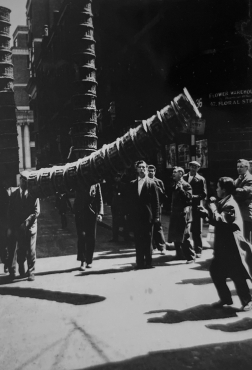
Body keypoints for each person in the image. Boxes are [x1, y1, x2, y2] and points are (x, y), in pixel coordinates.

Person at [198, 177, 252, 311]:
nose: (216, 189)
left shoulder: (230, 204)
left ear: (224, 189)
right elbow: (216, 221)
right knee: (216, 272)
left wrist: (212, 207)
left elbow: (222, 220)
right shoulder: (224, 201)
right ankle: (226, 298)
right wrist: (206, 214)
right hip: (223, 245)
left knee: (237, 274)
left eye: (218, 187)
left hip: (232, 246)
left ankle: (247, 301)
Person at [7, 171, 40, 281]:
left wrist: (26, 223)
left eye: (27, 181)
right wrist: (12, 226)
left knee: (31, 250)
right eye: (23, 180)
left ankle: (31, 271)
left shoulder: (34, 194)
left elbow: (36, 212)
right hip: (18, 227)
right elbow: (11, 211)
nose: (24, 183)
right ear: (20, 180)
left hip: (30, 227)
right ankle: (21, 267)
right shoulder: (14, 194)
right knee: (20, 248)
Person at [129, 160, 159, 269]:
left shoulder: (151, 183)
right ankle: (140, 262)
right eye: (140, 167)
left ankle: (149, 262)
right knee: (138, 240)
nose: (142, 169)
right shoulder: (132, 184)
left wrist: (156, 216)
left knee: (148, 239)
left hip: (148, 217)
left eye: (144, 167)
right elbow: (130, 201)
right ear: (136, 169)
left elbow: (156, 202)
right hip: (137, 217)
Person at [73, 182, 103, 271]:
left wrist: (100, 213)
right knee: (82, 236)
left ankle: (89, 261)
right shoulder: (79, 180)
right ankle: (82, 260)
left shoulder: (96, 184)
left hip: (91, 214)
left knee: (91, 238)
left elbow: (99, 199)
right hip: (80, 214)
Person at [168, 166, 195, 263]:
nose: (173, 174)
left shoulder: (186, 185)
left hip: (184, 214)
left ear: (181, 174)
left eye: (175, 172)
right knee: (176, 235)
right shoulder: (174, 184)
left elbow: (188, 198)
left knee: (184, 236)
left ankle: (191, 256)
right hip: (175, 213)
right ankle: (179, 254)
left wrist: (181, 190)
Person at [183, 161, 207, 257]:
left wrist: (192, 197)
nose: (193, 169)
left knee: (196, 229)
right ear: (189, 167)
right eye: (192, 166)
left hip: (195, 206)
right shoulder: (183, 177)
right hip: (185, 206)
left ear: (198, 168)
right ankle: (186, 251)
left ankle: (198, 250)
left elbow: (203, 194)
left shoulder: (201, 179)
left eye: (196, 167)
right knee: (185, 229)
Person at [147, 165, 167, 254]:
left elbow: (163, 195)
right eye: (149, 171)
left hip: (157, 207)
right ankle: (153, 246)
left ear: (155, 172)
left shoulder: (159, 182)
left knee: (157, 226)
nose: (151, 172)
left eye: (152, 171)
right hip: (148, 207)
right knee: (149, 227)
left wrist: (157, 187)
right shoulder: (145, 182)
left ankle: (162, 246)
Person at [234, 159, 252, 243]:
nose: (239, 169)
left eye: (241, 167)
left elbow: (245, 192)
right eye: (237, 167)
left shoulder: (249, 178)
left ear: (247, 167)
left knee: (246, 235)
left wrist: (234, 190)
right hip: (239, 211)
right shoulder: (239, 178)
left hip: (246, 212)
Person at [109, 173, 130, 242]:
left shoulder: (123, 186)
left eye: (118, 177)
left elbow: (126, 197)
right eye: (115, 177)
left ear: (120, 178)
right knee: (115, 222)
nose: (116, 179)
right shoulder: (113, 186)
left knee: (124, 222)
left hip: (122, 206)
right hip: (115, 206)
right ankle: (115, 237)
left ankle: (126, 237)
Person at [0, 179, 10, 273]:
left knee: (3, 244)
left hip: (2, 222)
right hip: (3, 222)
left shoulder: (3, 192)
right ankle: (6, 263)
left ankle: (6, 263)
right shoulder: (4, 192)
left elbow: (7, 208)